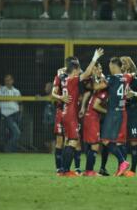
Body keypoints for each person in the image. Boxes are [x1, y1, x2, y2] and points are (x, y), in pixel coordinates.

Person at [56, 49, 104, 177]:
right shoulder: (72, 80)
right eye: (78, 70)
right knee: (72, 142)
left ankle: (64, 170)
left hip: (66, 112)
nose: (80, 72)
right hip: (71, 114)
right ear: (74, 71)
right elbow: (87, 72)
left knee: (69, 141)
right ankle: (65, 171)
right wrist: (94, 58)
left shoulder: (65, 80)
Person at [93, 57, 133, 176]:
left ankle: (122, 162)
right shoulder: (127, 77)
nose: (109, 68)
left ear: (114, 66)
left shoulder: (112, 78)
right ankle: (122, 165)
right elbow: (133, 73)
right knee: (117, 141)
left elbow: (96, 87)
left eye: (110, 66)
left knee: (105, 140)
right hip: (121, 112)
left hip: (113, 113)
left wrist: (95, 76)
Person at [119, 56, 137, 177]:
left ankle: (133, 171)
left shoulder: (135, 80)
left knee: (133, 142)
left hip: (132, 114)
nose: (121, 65)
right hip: (121, 113)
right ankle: (122, 169)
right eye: (120, 63)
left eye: (123, 63)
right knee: (121, 143)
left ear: (128, 65)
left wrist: (134, 93)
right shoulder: (118, 79)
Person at [81, 62, 108, 176]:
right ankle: (89, 171)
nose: (100, 70)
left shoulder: (101, 78)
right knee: (94, 145)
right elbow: (90, 93)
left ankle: (92, 169)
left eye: (101, 68)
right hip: (93, 116)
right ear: (93, 70)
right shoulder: (92, 80)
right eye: (97, 68)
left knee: (96, 144)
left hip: (94, 116)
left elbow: (90, 92)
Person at [0, 74, 21, 152]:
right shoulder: (1, 90)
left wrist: (8, 99)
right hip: (6, 115)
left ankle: (11, 150)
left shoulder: (16, 91)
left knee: (11, 134)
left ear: (12, 81)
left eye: (9, 80)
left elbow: (20, 101)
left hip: (16, 114)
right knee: (16, 133)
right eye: (6, 80)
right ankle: (7, 149)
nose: (7, 82)